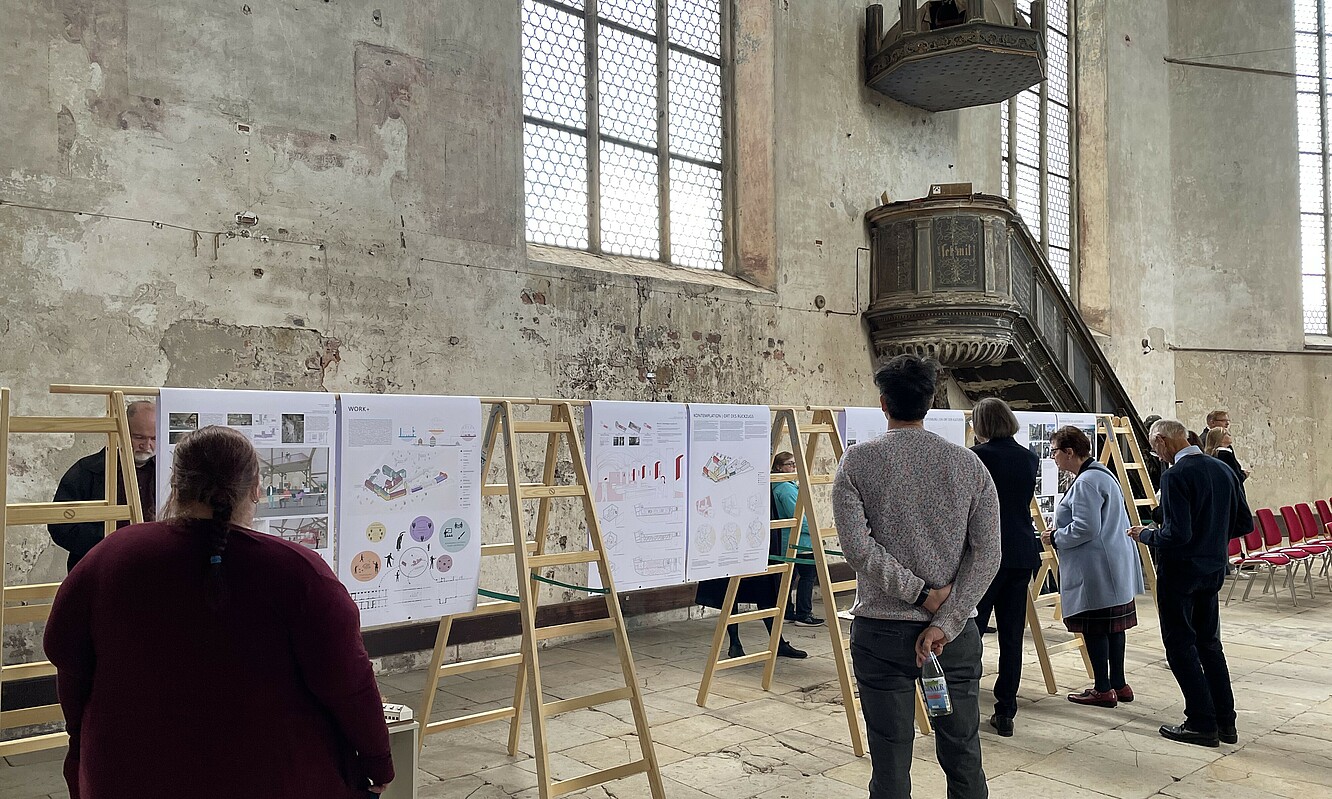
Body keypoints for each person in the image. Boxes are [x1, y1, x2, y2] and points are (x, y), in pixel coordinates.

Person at [45, 426, 393, 798]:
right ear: (256, 488)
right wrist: (377, 761)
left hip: (126, 774)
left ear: (175, 486)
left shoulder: (112, 556)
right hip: (270, 777)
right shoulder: (298, 572)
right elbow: (348, 681)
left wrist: (81, 747)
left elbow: (67, 657)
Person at [834, 355, 1000, 799]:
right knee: (963, 749)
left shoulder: (857, 462)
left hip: (882, 629)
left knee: (888, 755)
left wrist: (920, 595)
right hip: (952, 635)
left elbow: (857, 549)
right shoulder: (969, 465)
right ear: (929, 402)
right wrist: (946, 616)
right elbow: (987, 555)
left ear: (883, 403)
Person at [1129, 418, 1253, 748]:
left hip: (1181, 572)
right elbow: (1243, 522)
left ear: (1162, 442)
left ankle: (1201, 721)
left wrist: (1146, 534)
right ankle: (1226, 721)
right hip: (1212, 569)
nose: (1156, 454)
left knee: (1180, 645)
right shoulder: (1222, 467)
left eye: (1155, 448)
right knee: (1209, 644)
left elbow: (1177, 534)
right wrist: (1210, 538)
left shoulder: (1175, 474)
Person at [1042, 426, 1144, 710]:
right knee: (1113, 628)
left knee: (1097, 627)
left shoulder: (1086, 481)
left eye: (1055, 452)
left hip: (1096, 565)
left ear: (1070, 452)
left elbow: (1085, 528)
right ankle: (1119, 684)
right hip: (1111, 561)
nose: (1053, 458)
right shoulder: (1101, 473)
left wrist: (1055, 537)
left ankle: (1102, 688)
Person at [969, 398, 1039, 738]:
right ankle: (1006, 709)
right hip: (1020, 551)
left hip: (985, 554)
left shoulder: (977, 457)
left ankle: (965, 702)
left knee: (973, 632)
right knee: (1012, 637)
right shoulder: (1028, 457)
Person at [49, 400, 158, 571]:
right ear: (121, 432)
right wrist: (111, 543)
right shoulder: (88, 470)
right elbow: (61, 526)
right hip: (97, 570)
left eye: (154, 438)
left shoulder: (168, 472)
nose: (147, 445)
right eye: (139, 437)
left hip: (150, 569)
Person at [771, 451, 823, 627]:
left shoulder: (782, 486)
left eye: (795, 464)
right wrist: (816, 533)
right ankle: (804, 614)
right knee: (807, 576)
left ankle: (787, 611)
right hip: (801, 541)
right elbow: (799, 516)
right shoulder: (785, 488)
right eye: (790, 464)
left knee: (790, 577)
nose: (793, 467)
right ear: (779, 467)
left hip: (791, 540)